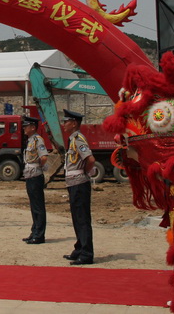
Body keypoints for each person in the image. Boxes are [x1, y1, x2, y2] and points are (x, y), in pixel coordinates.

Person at [61, 109, 95, 265]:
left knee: (82, 218)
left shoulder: (78, 139)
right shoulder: (72, 139)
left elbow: (90, 160)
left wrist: (85, 172)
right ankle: (79, 248)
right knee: (76, 218)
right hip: (73, 183)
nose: (64, 124)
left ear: (74, 123)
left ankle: (87, 253)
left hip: (79, 183)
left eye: (66, 121)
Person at [21, 116, 48, 245]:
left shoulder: (38, 140)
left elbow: (44, 157)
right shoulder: (30, 140)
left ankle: (39, 234)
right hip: (29, 174)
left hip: (36, 174)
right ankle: (34, 231)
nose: (24, 128)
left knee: (38, 206)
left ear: (33, 127)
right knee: (33, 205)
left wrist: (39, 167)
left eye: (26, 126)